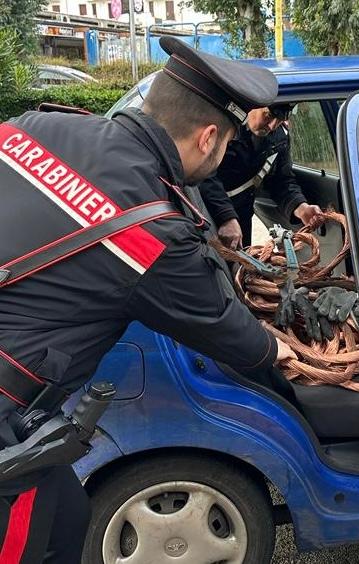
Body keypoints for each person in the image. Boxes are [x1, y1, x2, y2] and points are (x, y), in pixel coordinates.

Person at [0, 37, 297, 563]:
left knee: (67, 518)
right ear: (209, 139)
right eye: (225, 144)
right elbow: (227, 329)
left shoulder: (32, 127)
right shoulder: (154, 231)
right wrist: (279, 352)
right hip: (7, 426)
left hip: (23, 412)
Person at [199, 104, 323, 249]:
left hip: (241, 217)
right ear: (252, 105)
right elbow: (204, 172)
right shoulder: (222, 125)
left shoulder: (280, 139)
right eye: (268, 116)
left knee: (241, 268)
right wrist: (226, 217)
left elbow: (281, 181)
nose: (272, 126)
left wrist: (300, 207)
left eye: (279, 120)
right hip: (203, 211)